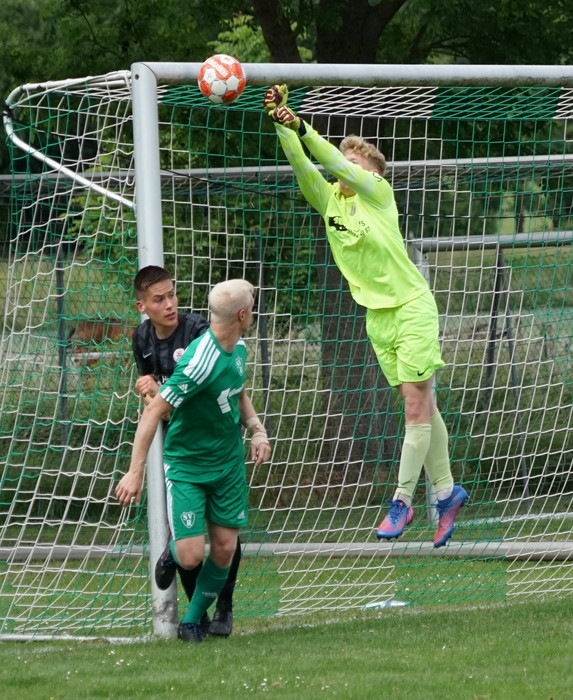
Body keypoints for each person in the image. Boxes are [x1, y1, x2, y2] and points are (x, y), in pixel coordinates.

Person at [264, 85, 468, 548]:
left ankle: (402, 501)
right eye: (343, 160)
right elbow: (303, 164)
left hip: (411, 306)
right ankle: (446, 492)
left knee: (414, 408)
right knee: (423, 405)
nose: (343, 166)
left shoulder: (378, 194)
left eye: (354, 162)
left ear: (371, 174)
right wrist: (281, 121)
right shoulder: (330, 201)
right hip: (377, 318)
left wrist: (304, 126)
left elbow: (333, 162)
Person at [116, 279, 272, 642]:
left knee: (225, 548)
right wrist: (134, 473)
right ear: (243, 315)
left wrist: (257, 429)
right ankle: (172, 553)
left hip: (228, 464)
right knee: (189, 555)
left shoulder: (239, 347)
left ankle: (190, 621)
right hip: (187, 464)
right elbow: (154, 410)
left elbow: (237, 390)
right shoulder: (199, 362)